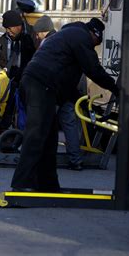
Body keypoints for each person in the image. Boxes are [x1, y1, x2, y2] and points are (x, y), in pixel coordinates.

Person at [11, 17, 119, 192]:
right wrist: (116, 88)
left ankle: (48, 184)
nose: (94, 47)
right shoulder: (81, 37)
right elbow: (93, 69)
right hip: (40, 86)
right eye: (96, 43)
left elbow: (66, 77)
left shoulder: (66, 34)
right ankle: (20, 184)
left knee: (50, 138)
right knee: (36, 136)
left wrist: (75, 98)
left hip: (36, 84)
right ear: (94, 34)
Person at [34, 15, 83, 170]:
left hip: (53, 90)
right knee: (69, 124)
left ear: (43, 31)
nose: (36, 35)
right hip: (68, 90)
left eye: (38, 32)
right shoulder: (64, 41)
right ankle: (76, 160)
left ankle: (43, 158)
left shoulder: (48, 42)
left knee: (45, 124)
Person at [0, 10, 36, 84]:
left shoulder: (32, 36)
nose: (7, 31)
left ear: (18, 26)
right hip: (8, 82)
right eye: (6, 28)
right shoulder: (6, 39)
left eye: (9, 28)